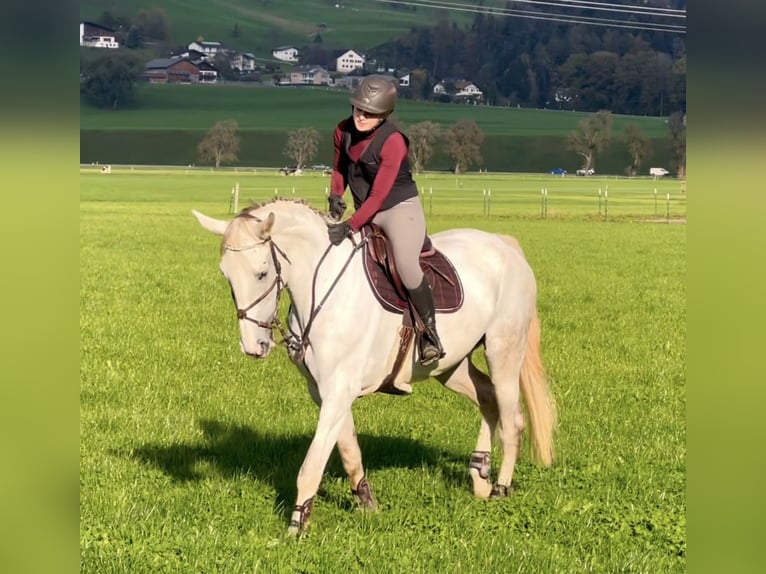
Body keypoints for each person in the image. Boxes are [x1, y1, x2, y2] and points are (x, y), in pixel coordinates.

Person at [326, 75, 445, 367]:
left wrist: (350, 226)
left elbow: (378, 197)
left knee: (405, 263)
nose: (361, 116)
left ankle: (430, 334)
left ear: (385, 115)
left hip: (398, 208)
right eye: (357, 109)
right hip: (364, 207)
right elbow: (340, 166)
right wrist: (335, 195)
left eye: (370, 113)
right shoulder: (342, 130)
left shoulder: (393, 142)